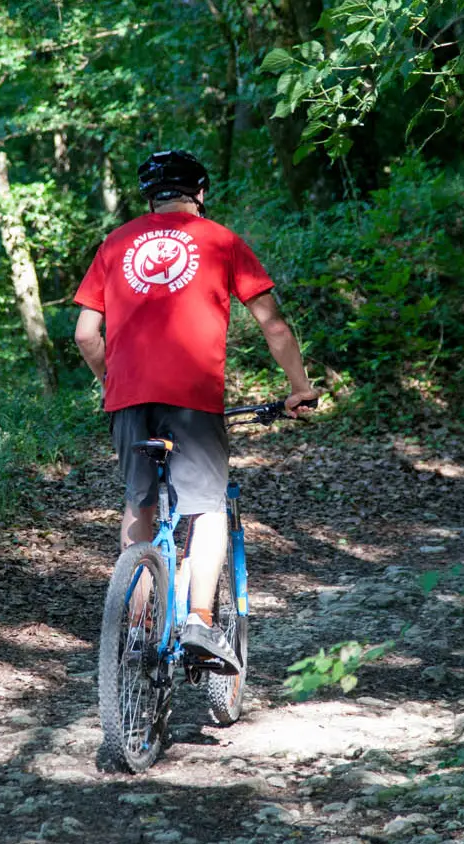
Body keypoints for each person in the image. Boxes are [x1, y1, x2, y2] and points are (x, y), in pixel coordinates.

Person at [72, 150, 316, 673]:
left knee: (139, 506)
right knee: (205, 509)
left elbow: (85, 334)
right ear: (199, 192)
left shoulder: (116, 244)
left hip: (129, 398)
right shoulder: (221, 240)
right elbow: (273, 325)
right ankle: (200, 621)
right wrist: (299, 387)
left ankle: (137, 631)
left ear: (149, 195)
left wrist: (114, 386)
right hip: (192, 396)